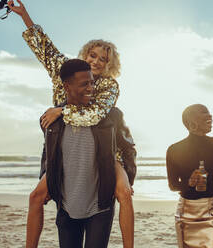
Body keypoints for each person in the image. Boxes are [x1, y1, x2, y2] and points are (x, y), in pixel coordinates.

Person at [7, 1, 135, 247]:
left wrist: (60, 111)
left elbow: (94, 115)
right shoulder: (65, 71)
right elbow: (43, 48)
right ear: (85, 54)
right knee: (37, 196)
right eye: (93, 55)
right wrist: (24, 14)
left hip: (105, 148)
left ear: (110, 65)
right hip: (65, 146)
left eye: (103, 60)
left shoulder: (109, 86)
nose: (97, 61)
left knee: (123, 193)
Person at [29, 59, 135, 248]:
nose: (91, 88)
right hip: (67, 205)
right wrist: (47, 179)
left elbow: (128, 147)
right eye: (84, 84)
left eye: (92, 82)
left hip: (100, 205)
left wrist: (127, 176)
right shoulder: (52, 120)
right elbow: (48, 153)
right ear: (67, 86)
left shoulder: (110, 115)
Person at [166, 104, 213, 248]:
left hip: (212, 212)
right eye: (203, 112)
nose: (210, 116)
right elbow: (172, 185)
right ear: (191, 122)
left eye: (209, 112)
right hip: (186, 215)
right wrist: (189, 183)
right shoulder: (174, 150)